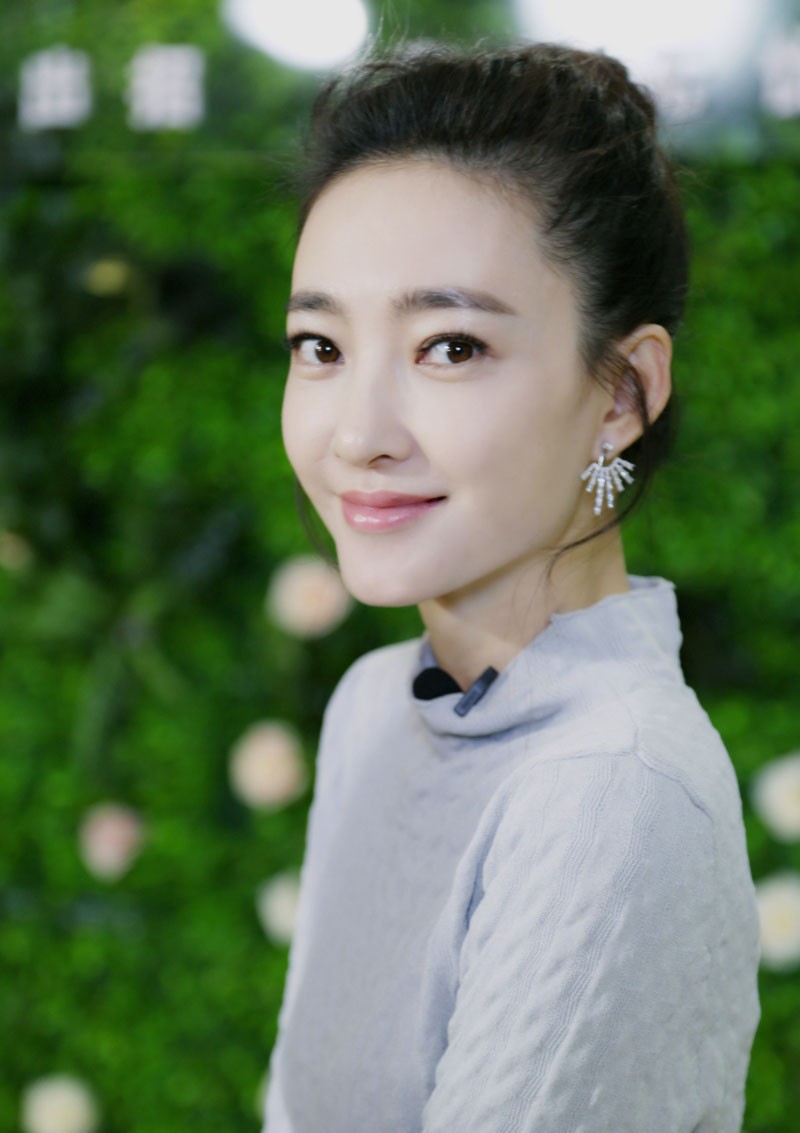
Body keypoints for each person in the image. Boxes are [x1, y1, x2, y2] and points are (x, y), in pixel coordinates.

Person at [263, 40, 761, 1133]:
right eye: (320, 345)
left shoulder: (612, 787)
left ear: (622, 394)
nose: (356, 433)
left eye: (449, 346)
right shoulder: (372, 708)